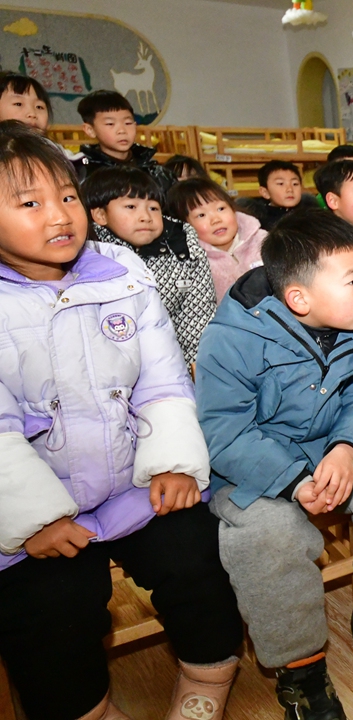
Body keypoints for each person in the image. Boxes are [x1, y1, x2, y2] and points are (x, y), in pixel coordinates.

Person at [0, 122, 242, 720]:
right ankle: (88, 709)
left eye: (65, 196)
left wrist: (175, 465)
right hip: (31, 511)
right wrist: (34, 520)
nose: (59, 215)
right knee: (50, 610)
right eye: (29, 203)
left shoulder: (121, 271)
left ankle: (208, 673)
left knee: (199, 558)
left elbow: (161, 381)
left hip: (131, 479)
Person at [196, 210, 353, 717]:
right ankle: (302, 669)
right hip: (251, 467)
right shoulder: (230, 339)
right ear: (299, 298)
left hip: (331, 444)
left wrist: (347, 447)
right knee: (265, 537)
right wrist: (295, 481)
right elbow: (224, 432)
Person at [83, 166, 217, 365]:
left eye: (153, 208)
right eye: (131, 207)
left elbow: (199, 314)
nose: (146, 216)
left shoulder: (183, 246)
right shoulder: (89, 257)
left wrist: (195, 368)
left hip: (174, 364)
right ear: (101, 216)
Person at [167, 177, 268, 303]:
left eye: (221, 209)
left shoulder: (263, 241)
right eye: (201, 215)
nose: (216, 220)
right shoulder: (190, 263)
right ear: (185, 225)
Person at [73, 90, 175, 192]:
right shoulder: (82, 174)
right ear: (90, 130)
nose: (122, 131)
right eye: (110, 124)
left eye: (128, 123)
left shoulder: (156, 173)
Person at [237, 159, 319, 232]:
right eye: (280, 184)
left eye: (295, 184)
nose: (290, 189)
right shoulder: (256, 222)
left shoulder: (312, 215)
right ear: (265, 192)